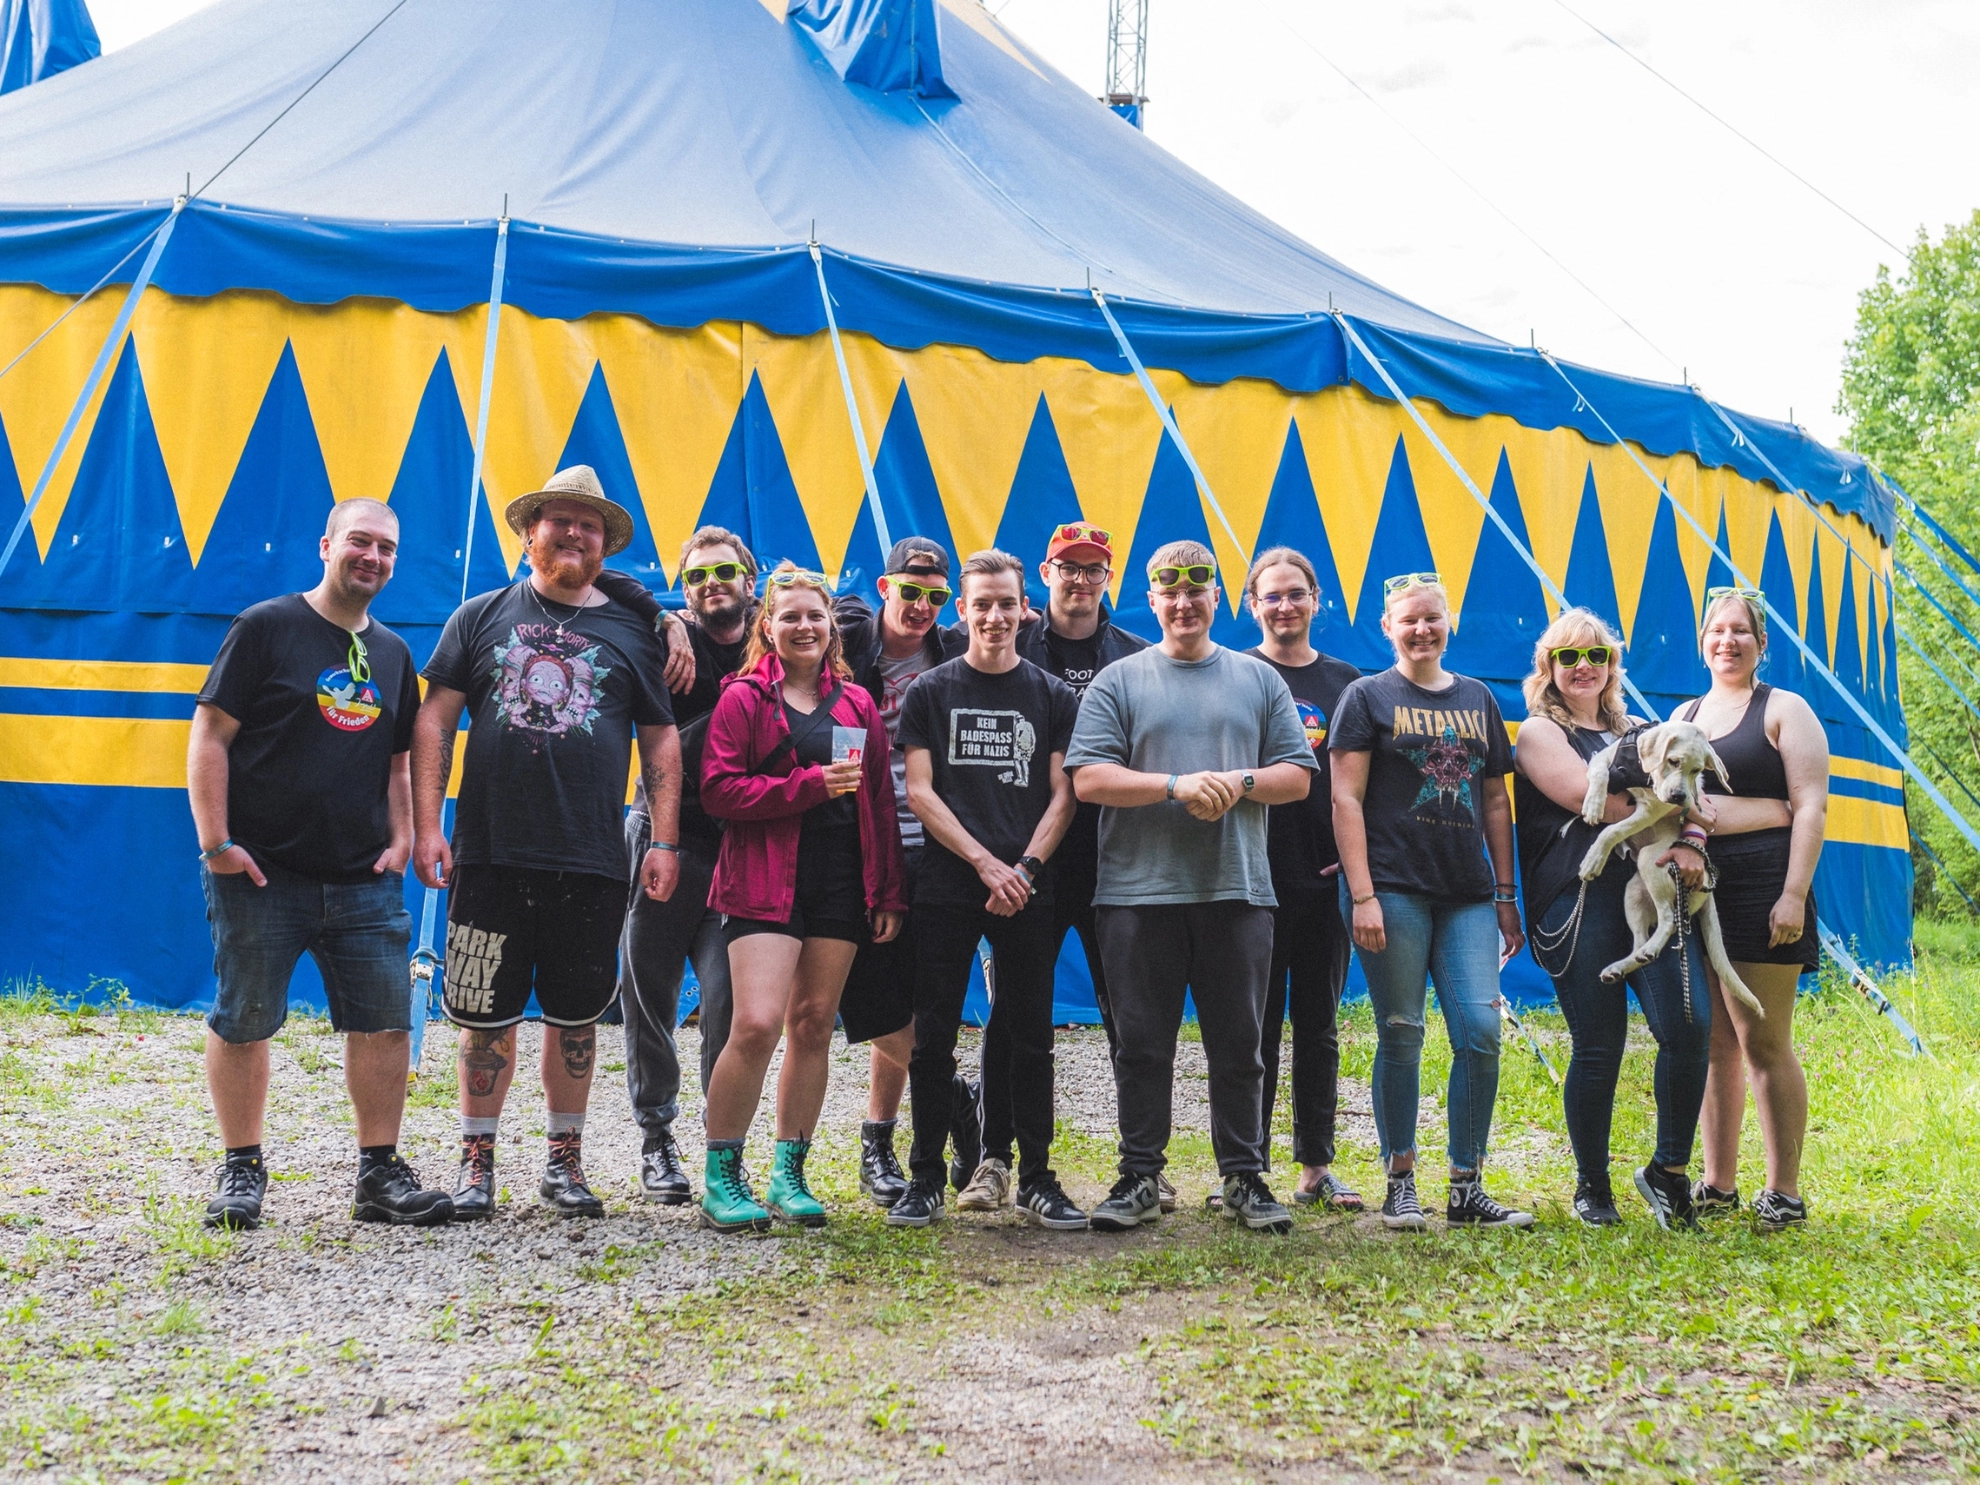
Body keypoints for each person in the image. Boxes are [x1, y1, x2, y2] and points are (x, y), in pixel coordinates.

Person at [413, 465, 682, 1221]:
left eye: (588, 525)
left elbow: (661, 743)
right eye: (559, 521)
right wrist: (428, 823)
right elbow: (435, 722)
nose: (573, 534)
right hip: (490, 850)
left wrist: (664, 840)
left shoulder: (634, 630)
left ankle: (564, 1163)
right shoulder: (480, 614)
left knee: (577, 1016)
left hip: (593, 857)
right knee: (480, 1014)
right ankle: (476, 1163)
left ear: (606, 544)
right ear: (529, 532)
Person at [189, 498, 452, 1230]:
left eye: (387, 549)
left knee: (384, 1023)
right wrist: (217, 843)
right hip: (263, 873)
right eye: (360, 542)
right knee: (244, 1019)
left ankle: (379, 1174)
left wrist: (402, 837)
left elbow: (399, 760)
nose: (373, 557)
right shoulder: (266, 627)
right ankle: (241, 1167)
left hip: (363, 877)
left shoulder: (395, 654)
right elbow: (209, 735)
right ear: (326, 543)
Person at [1066, 540, 1316, 1234]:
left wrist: (1234, 784)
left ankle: (1244, 1176)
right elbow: (1088, 777)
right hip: (1136, 893)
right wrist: (1176, 785)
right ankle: (1140, 1175)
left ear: (1218, 597)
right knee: (1142, 1043)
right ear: (1150, 599)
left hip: (1236, 890)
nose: (1183, 600)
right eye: (1168, 589)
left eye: (1197, 586)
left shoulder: (1258, 680)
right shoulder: (1118, 681)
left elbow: (1296, 774)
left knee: (1240, 1044)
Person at [697, 564, 907, 1231]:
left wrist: (886, 890)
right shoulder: (742, 699)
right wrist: (809, 786)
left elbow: (877, 799)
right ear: (769, 626)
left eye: (815, 615)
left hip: (840, 881)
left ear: (831, 626)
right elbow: (719, 792)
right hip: (761, 878)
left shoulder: (856, 704)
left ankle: (790, 1172)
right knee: (756, 1023)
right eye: (790, 616)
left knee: (814, 1025)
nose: (805, 626)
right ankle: (722, 1174)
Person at [887, 550, 1085, 1229]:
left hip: (1029, 887)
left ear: (1023, 607)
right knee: (933, 1035)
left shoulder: (1054, 696)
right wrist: (982, 863)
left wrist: (1024, 868)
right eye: (982, 603)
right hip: (949, 883)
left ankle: (1036, 1175)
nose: (995, 616)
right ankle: (925, 1176)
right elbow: (920, 791)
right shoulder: (931, 691)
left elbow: (1065, 793)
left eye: (1007, 603)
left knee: (1031, 1031)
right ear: (962, 609)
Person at [1330, 572, 1532, 1231]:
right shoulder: (1366, 697)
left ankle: (1467, 1183)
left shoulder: (1477, 698)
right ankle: (1400, 1179)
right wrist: (1361, 894)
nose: (1421, 629)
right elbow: (1345, 799)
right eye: (1407, 619)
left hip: (1468, 893)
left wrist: (1506, 895)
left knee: (1480, 1030)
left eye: (1432, 618)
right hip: (1391, 887)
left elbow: (1497, 800)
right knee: (1402, 1030)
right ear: (1387, 627)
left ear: (1450, 624)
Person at [1513, 609, 1713, 1229]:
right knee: (1599, 1046)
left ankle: (1667, 1172)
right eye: (1568, 657)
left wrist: (1695, 832)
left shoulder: (1639, 728)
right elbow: (1583, 798)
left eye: (1595, 656)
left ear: (1611, 666)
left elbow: (1700, 797)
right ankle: (1592, 1187)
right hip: (1581, 897)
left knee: (1689, 1025)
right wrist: (1674, 800)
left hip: (1656, 892)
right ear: (1548, 666)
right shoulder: (1538, 734)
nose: (1582, 668)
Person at [597, 528, 756, 1204]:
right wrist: (665, 616)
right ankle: (656, 1137)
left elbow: (860, 624)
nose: (711, 584)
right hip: (663, 838)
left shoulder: (778, 639)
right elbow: (590, 575)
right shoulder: (665, 636)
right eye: (696, 577)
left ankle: (725, 1147)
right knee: (648, 994)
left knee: (729, 1001)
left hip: (739, 848)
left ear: (753, 579)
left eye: (725, 571)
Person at [1679, 587, 1827, 1232]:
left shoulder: (1784, 710)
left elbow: (1811, 805)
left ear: (1761, 644)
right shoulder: (1686, 712)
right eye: (1717, 631)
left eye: (1741, 632)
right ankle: (1718, 1183)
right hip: (1699, 894)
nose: (1728, 641)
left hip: (1766, 888)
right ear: (1703, 641)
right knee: (1714, 1043)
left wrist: (1793, 893)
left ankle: (1785, 1191)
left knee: (1763, 1039)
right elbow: (1676, 804)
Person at [838, 537, 971, 1204]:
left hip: (932, 848)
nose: (921, 605)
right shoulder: (846, 641)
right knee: (860, 997)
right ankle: (952, 1091)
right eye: (909, 590)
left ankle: (880, 1140)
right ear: (885, 588)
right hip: (856, 844)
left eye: (935, 596)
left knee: (912, 998)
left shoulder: (952, 652)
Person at [1243, 547, 1365, 1212]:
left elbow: (1362, 784)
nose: (1285, 605)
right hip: (1251, 879)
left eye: (1297, 593)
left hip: (1322, 879)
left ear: (1317, 599)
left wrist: (1354, 861)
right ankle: (1249, 1164)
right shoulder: (1233, 673)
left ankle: (1315, 1165)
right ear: (1252, 604)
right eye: (1272, 595)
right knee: (1253, 1026)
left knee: (1317, 1025)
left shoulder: (1348, 682)